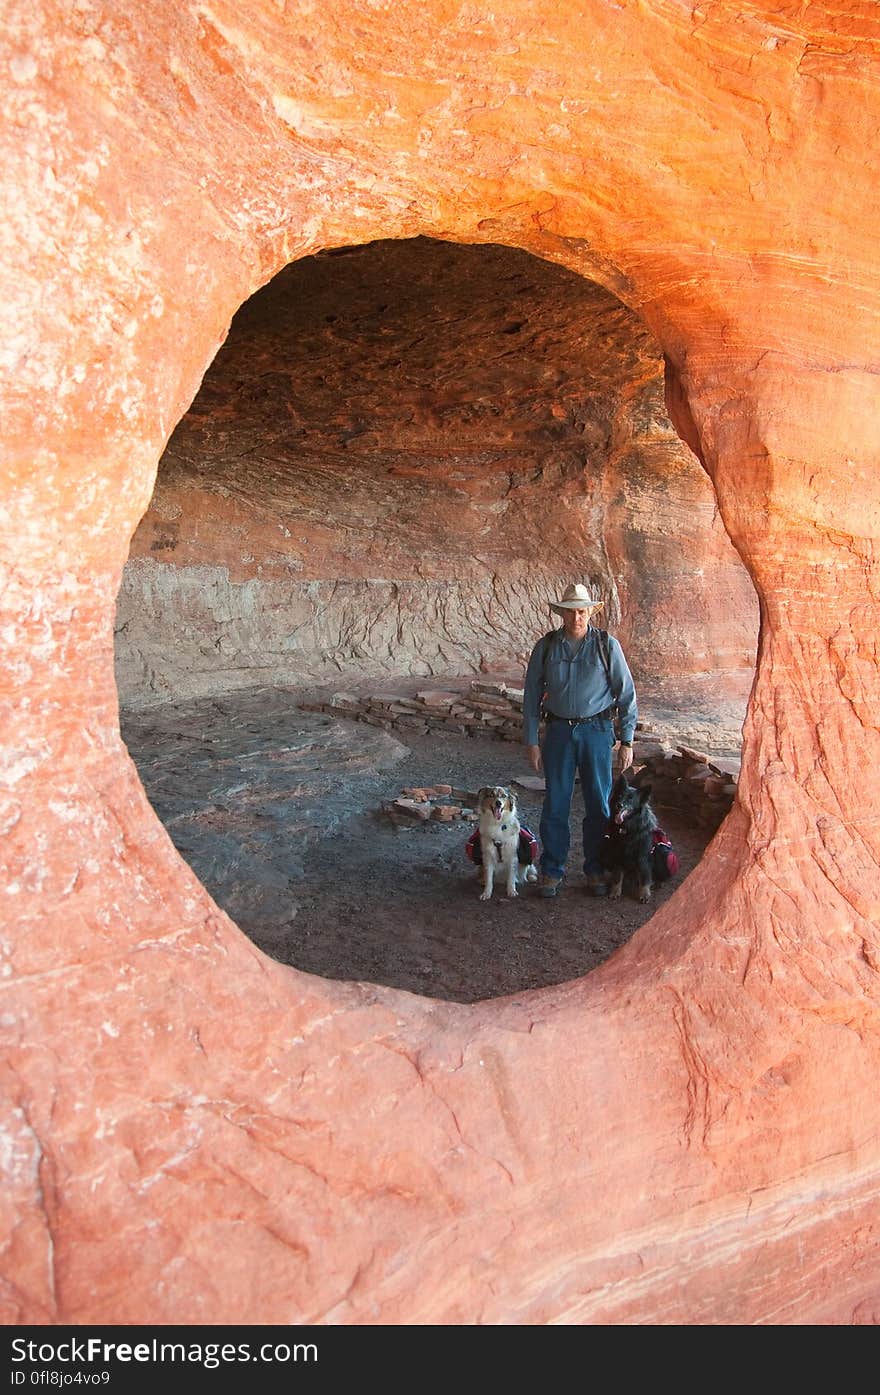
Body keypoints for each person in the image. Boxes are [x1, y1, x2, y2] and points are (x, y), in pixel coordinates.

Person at [523, 583, 638, 897]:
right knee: (555, 802)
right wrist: (531, 740)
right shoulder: (546, 646)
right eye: (571, 611)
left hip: (596, 731)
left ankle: (596, 868)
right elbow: (532, 694)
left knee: (598, 804)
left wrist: (626, 740)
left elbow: (626, 693)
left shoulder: (606, 645)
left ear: (591, 612)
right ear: (561, 613)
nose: (577, 617)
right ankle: (552, 870)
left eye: (582, 611)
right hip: (558, 732)